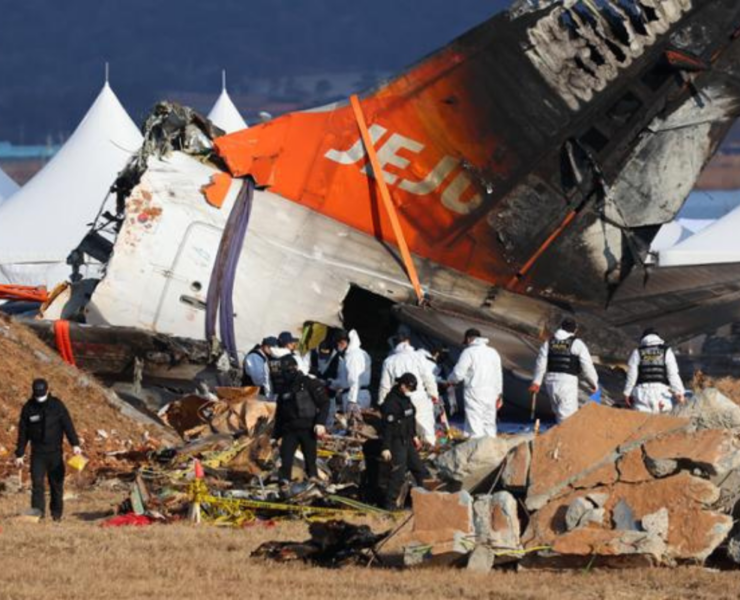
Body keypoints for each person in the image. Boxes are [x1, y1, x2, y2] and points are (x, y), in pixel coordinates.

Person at [14, 379, 82, 521]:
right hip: (37, 454)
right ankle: (38, 514)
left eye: (41, 393)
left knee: (56, 485)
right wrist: (19, 454)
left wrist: (75, 444)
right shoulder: (28, 407)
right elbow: (23, 432)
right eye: (37, 394)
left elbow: (67, 425)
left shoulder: (57, 405)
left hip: (55, 453)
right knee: (37, 484)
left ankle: (56, 514)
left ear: (47, 389)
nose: (39, 396)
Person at [272, 357, 330, 485]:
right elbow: (280, 414)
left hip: (308, 428)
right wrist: (275, 435)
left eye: (287, 371)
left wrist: (320, 423)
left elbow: (325, 402)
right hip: (289, 430)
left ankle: (313, 478)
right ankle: (284, 482)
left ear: (295, 368)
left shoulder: (309, 383)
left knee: (310, 458)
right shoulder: (283, 389)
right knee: (286, 458)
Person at [530, 318, 599, 423]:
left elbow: (541, 364)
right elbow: (587, 366)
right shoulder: (577, 343)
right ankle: (564, 438)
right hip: (567, 383)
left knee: (558, 414)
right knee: (568, 420)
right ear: (574, 330)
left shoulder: (549, 342)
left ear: (561, 327)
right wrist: (594, 383)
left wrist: (536, 382)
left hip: (550, 383)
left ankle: (557, 437)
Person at [379, 373, 430, 510]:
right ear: (402, 386)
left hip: (407, 440)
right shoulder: (391, 402)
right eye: (409, 388)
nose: (410, 391)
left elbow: (410, 419)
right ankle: (389, 504)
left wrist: (414, 436)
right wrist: (386, 447)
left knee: (419, 469)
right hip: (396, 441)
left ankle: (424, 499)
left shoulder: (405, 400)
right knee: (398, 474)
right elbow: (387, 427)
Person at [378, 334, 438, 446]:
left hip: (401, 400)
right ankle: (431, 449)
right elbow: (428, 377)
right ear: (407, 342)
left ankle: (411, 452)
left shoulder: (389, 361)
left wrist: (382, 403)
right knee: (426, 427)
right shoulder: (418, 357)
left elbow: (385, 385)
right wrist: (434, 394)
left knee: (404, 429)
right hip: (420, 398)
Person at [448, 328, 503, 438]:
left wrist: (450, 380)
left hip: (475, 392)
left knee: (474, 425)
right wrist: (499, 394)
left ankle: (477, 451)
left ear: (468, 339)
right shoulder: (493, 352)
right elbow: (498, 375)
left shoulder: (468, 352)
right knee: (489, 424)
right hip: (492, 393)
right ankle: (491, 450)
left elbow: (458, 374)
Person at [623, 328, 685, 413]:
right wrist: (679, 392)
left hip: (641, 394)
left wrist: (627, 392)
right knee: (663, 423)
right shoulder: (666, 351)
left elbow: (631, 375)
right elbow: (673, 374)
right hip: (661, 394)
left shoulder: (637, 352)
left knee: (641, 422)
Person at [330, 329, 372, 415]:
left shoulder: (352, 356)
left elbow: (354, 379)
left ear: (343, 342)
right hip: (360, 394)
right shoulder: (361, 353)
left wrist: (352, 401)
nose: (338, 346)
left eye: (338, 343)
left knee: (353, 425)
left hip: (355, 397)